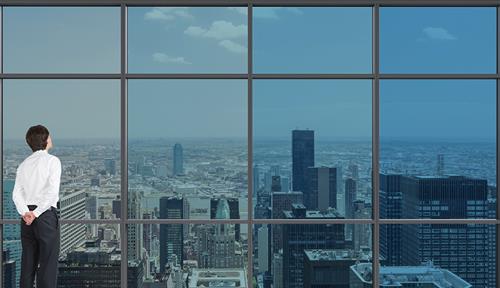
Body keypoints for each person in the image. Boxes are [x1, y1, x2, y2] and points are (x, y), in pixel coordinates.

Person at [12, 124, 61, 288]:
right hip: (45, 216)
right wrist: (36, 213)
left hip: (26, 219)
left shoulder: (23, 165)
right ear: (45, 140)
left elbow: (16, 194)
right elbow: (52, 192)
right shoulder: (52, 161)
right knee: (47, 266)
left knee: (27, 264)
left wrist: (26, 213)